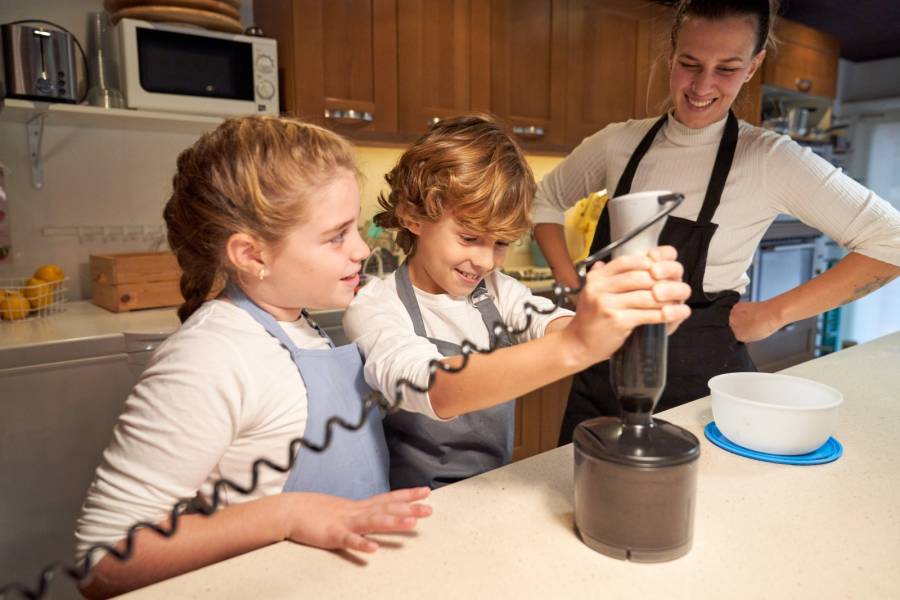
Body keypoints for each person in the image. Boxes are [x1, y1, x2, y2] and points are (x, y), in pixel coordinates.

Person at [74, 116, 432, 599]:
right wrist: (285, 515)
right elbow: (102, 560)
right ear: (251, 254)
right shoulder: (211, 356)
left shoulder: (298, 323)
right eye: (336, 235)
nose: (362, 250)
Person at [532, 0, 900, 444]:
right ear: (672, 54)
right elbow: (547, 199)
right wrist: (572, 284)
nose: (703, 85)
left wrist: (773, 314)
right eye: (690, 63)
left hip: (700, 394)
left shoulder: (769, 159)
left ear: (753, 65)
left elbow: (891, 240)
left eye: (727, 68)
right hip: (598, 383)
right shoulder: (618, 143)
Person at [342, 115, 692, 490]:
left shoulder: (499, 291)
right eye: (469, 237)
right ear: (413, 217)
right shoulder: (375, 306)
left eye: (501, 244)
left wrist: (627, 321)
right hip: (412, 503)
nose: (486, 261)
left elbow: (556, 324)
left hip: (492, 485)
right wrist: (577, 345)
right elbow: (435, 387)